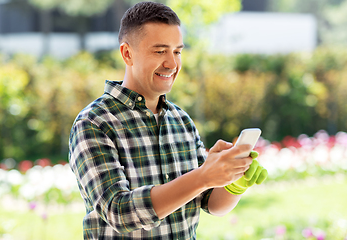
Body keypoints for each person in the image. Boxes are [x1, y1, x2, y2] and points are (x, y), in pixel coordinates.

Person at [68, 2, 267, 239]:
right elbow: (119, 213)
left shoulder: (181, 120)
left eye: (177, 51)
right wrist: (203, 176)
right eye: (160, 51)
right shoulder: (94, 123)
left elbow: (210, 203)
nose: (172, 64)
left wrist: (231, 181)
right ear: (127, 53)